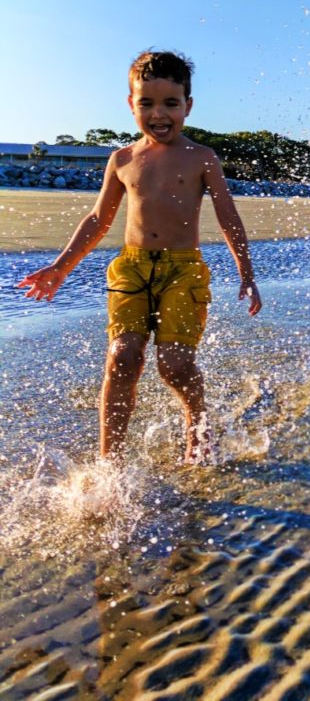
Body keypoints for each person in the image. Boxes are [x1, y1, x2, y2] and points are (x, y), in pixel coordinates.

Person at [17, 49, 262, 464]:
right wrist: (61, 267)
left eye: (170, 103)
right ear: (131, 104)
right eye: (146, 103)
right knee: (123, 357)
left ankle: (198, 432)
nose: (158, 114)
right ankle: (109, 462)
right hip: (131, 268)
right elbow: (98, 219)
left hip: (183, 271)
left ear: (188, 105)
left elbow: (227, 215)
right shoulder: (123, 159)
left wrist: (246, 271)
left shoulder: (202, 157)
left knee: (174, 365)